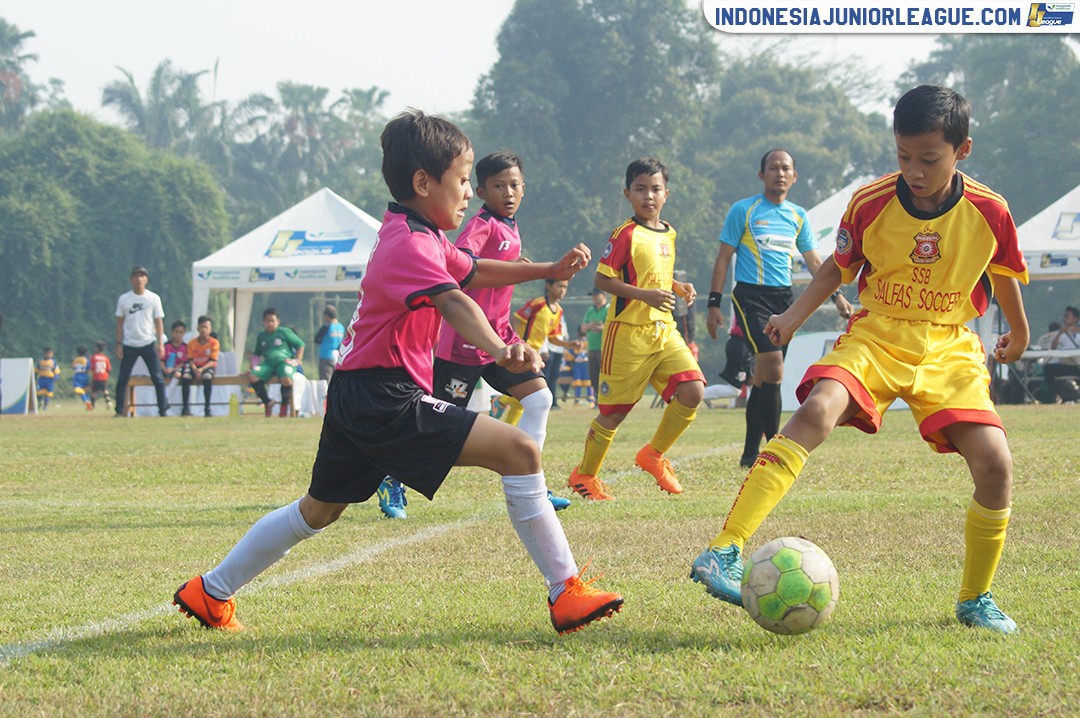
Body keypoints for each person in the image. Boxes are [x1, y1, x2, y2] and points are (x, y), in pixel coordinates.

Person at [172, 109, 621, 635]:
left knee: (318, 511)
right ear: (423, 182)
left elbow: (473, 271)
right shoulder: (410, 244)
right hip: (385, 395)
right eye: (462, 179)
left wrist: (546, 270)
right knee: (520, 452)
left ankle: (210, 591)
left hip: (357, 391)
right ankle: (566, 593)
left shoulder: (417, 233)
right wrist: (501, 349)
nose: (470, 194)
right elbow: (456, 302)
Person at [690, 85, 1030, 635]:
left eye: (928, 159)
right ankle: (723, 550)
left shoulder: (990, 211)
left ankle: (975, 598)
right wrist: (795, 317)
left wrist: (1019, 330)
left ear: (961, 150)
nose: (913, 171)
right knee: (816, 411)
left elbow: (1007, 272)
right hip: (877, 334)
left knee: (996, 465)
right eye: (903, 157)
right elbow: (835, 269)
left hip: (949, 344)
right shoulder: (872, 201)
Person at [378, 150, 574, 518]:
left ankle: (532, 485)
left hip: (499, 338)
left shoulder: (511, 226)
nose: (509, 193)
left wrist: (514, 268)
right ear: (481, 192)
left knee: (540, 398)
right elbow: (462, 264)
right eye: (498, 186)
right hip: (463, 344)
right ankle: (391, 475)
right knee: (434, 430)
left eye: (514, 185)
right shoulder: (481, 223)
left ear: (524, 188)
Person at [567, 158, 706, 501]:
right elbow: (603, 279)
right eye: (641, 189)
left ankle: (654, 455)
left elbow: (650, 272)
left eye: (655, 189)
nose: (649, 196)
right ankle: (584, 475)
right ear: (628, 193)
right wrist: (645, 295)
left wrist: (676, 286)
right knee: (613, 413)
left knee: (693, 390)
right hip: (627, 334)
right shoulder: (624, 234)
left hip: (664, 329)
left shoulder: (669, 232)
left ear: (666, 194)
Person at [706, 149, 854, 468]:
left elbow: (815, 261)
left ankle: (749, 454)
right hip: (750, 298)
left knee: (763, 377)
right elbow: (723, 258)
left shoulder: (798, 216)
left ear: (794, 176)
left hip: (784, 298)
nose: (780, 173)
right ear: (761, 175)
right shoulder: (743, 210)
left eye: (786, 168)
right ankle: (776, 450)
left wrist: (838, 296)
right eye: (773, 168)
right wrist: (714, 304)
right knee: (773, 366)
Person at [511, 279, 583, 419]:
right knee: (531, 393)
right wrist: (518, 342)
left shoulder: (559, 310)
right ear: (548, 286)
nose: (562, 290)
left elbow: (553, 338)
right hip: (525, 353)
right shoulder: (538, 303)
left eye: (565, 287)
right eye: (559, 286)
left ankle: (502, 408)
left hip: (537, 355)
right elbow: (516, 318)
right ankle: (503, 406)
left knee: (525, 396)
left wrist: (569, 344)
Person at [113, 266, 169, 418]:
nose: (139, 279)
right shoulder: (124, 299)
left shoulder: (153, 298)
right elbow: (119, 323)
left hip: (148, 342)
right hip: (130, 343)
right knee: (123, 379)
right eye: (136, 276)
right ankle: (119, 410)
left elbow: (158, 322)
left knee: (157, 378)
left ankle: (162, 409)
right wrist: (119, 343)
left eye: (142, 276)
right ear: (131, 279)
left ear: (146, 279)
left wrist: (161, 343)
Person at [248, 308, 305, 418]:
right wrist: (252, 367)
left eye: (272, 320)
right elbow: (257, 354)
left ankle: (283, 408)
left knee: (286, 379)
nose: (270, 323)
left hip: (284, 362)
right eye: (267, 321)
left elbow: (300, 344)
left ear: (278, 321)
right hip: (268, 364)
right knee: (253, 376)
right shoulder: (261, 336)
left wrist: (297, 359)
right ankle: (267, 402)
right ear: (263, 322)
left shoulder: (284, 332)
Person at [182, 315, 220, 417]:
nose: (204, 330)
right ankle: (185, 408)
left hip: (207, 367)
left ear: (210, 329)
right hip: (194, 367)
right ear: (198, 328)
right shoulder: (192, 343)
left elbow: (213, 361)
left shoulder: (214, 343)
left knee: (207, 378)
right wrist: (195, 369)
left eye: (206, 327)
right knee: (185, 378)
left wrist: (202, 369)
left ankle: (207, 407)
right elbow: (190, 359)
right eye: (202, 327)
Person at [1042, 305, 1080, 403]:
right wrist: (1060, 333)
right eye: (1064, 316)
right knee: (1048, 369)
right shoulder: (1061, 333)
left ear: (1075, 319)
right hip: (1064, 365)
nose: (1065, 318)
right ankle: (1054, 395)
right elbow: (1053, 347)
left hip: (1077, 365)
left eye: (1067, 316)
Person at [581, 288, 608, 399]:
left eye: (597, 294)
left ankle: (606, 399)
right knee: (594, 375)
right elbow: (583, 328)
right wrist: (590, 326)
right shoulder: (590, 310)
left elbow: (615, 327)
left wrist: (603, 328)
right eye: (593, 295)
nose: (594, 297)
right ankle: (597, 399)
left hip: (605, 349)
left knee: (605, 375)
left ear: (604, 294)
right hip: (592, 348)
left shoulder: (609, 309)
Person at [315, 304, 345, 381]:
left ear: (327, 315)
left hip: (325, 356)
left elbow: (317, 339)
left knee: (325, 380)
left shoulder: (327, 326)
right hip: (336, 356)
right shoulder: (341, 327)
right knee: (335, 380)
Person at [162, 320, 189, 391]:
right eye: (176, 332)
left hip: (178, 369)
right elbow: (161, 359)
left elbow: (183, 362)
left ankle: (166, 396)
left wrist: (174, 369)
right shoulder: (166, 346)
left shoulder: (185, 347)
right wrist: (165, 369)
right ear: (172, 332)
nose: (178, 335)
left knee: (178, 374)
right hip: (166, 369)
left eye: (181, 332)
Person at [89, 341, 112, 410]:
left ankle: (93, 405)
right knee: (104, 390)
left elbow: (92, 368)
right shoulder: (106, 358)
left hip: (96, 377)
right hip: (104, 377)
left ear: (97, 348)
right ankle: (108, 402)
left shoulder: (94, 357)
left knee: (94, 392)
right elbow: (108, 369)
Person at [71, 346, 93, 411]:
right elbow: (89, 368)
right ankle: (89, 406)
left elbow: (73, 367)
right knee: (85, 391)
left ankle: (87, 401)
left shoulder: (75, 360)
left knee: (77, 389)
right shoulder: (86, 360)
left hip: (78, 375)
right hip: (85, 376)